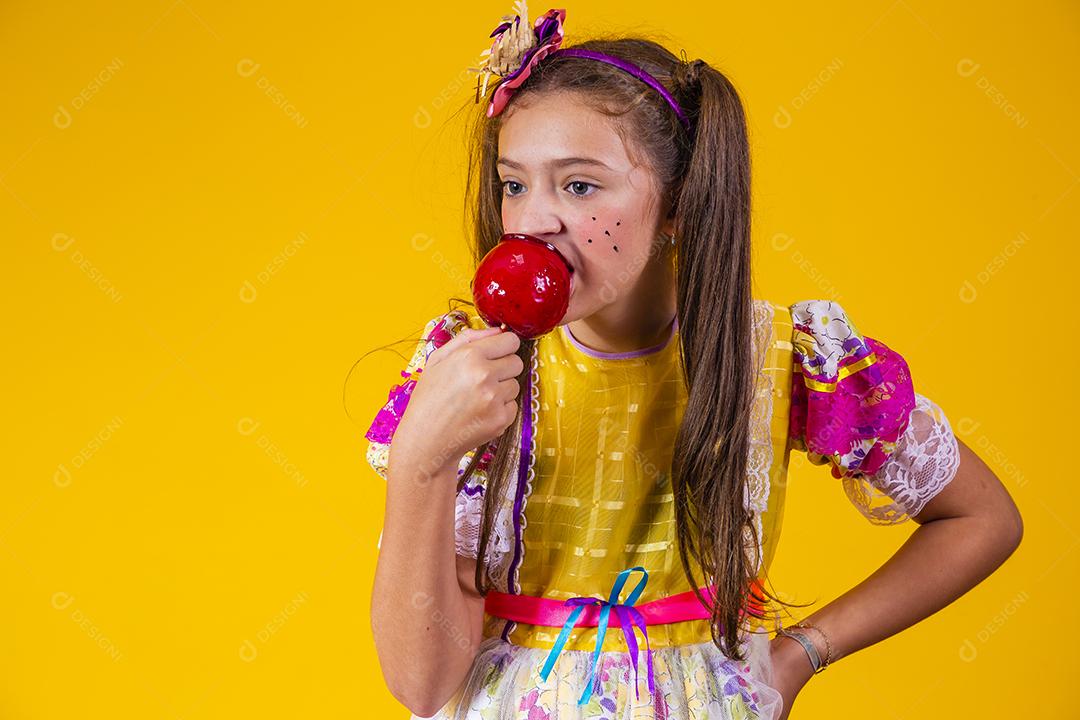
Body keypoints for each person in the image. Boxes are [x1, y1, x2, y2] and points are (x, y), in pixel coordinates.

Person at [364, 4, 1024, 719]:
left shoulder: (783, 360)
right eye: (514, 183)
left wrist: (805, 650)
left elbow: (982, 520)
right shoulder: (471, 380)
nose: (530, 221)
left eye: (579, 185)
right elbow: (421, 685)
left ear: (679, 203)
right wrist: (420, 462)